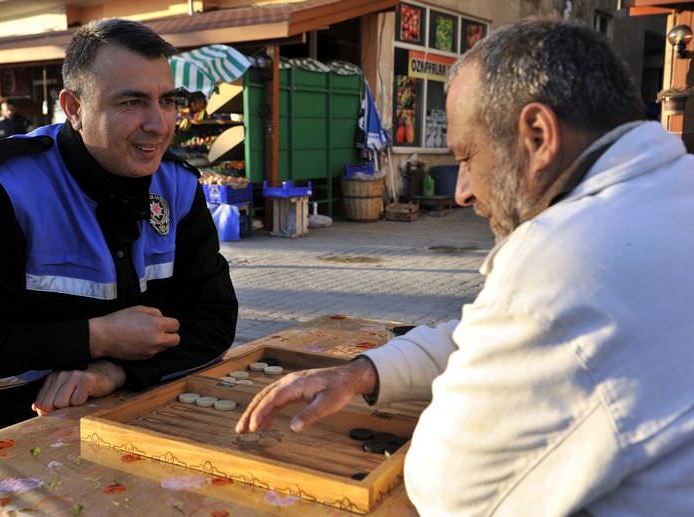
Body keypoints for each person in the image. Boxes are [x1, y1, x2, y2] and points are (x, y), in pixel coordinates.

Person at [237, 18, 694, 515]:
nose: (461, 192)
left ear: (538, 136)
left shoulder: (568, 259)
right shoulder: (669, 190)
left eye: (466, 157)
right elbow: (490, 333)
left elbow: (448, 486)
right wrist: (363, 373)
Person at [0, 18, 238, 460]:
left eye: (167, 100)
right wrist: (95, 338)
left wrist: (114, 370)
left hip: (121, 425)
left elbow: (214, 322)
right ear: (74, 108)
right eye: (132, 102)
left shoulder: (176, 185)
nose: (159, 124)